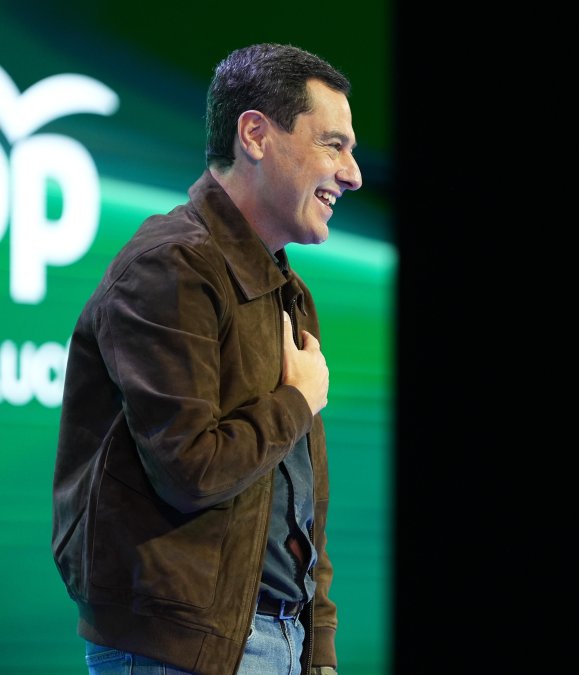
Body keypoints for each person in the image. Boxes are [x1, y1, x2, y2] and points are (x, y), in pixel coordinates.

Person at [51, 42, 361, 675]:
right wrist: (296, 399)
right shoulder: (170, 266)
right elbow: (190, 471)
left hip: (277, 643)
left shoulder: (287, 290)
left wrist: (319, 649)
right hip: (182, 651)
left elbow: (301, 500)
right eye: (334, 145)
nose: (353, 173)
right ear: (255, 134)